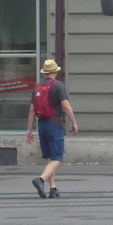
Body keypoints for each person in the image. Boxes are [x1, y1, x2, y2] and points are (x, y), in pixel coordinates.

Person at [26, 59, 79, 199]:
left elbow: (32, 110)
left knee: (49, 157)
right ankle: (41, 179)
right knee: (58, 158)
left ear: (44, 72)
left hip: (41, 125)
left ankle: (53, 188)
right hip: (54, 124)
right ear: (55, 72)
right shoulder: (58, 86)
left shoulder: (37, 87)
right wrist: (73, 122)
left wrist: (29, 130)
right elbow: (66, 106)